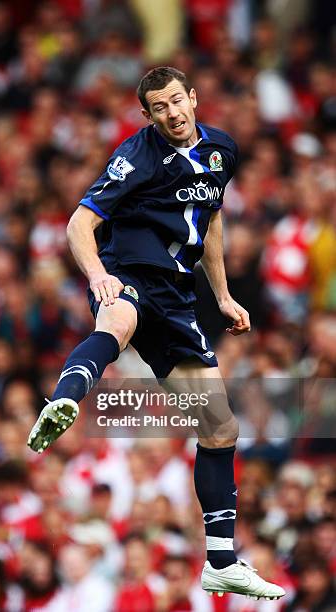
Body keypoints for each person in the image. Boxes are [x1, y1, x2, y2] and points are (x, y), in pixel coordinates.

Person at [27, 66, 285, 600]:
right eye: (159, 108)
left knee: (220, 429)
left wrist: (223, 296)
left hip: (179, 296)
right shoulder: (136, 156)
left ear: (193, 97)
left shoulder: (222, 151)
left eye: (177, 101)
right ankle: (65, 398)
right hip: (130, 272)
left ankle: (219, 562)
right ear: (147, 116)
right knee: (118, 321)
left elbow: (210, 221)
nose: (172, 113)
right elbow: (80, 223)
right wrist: (100, 277)